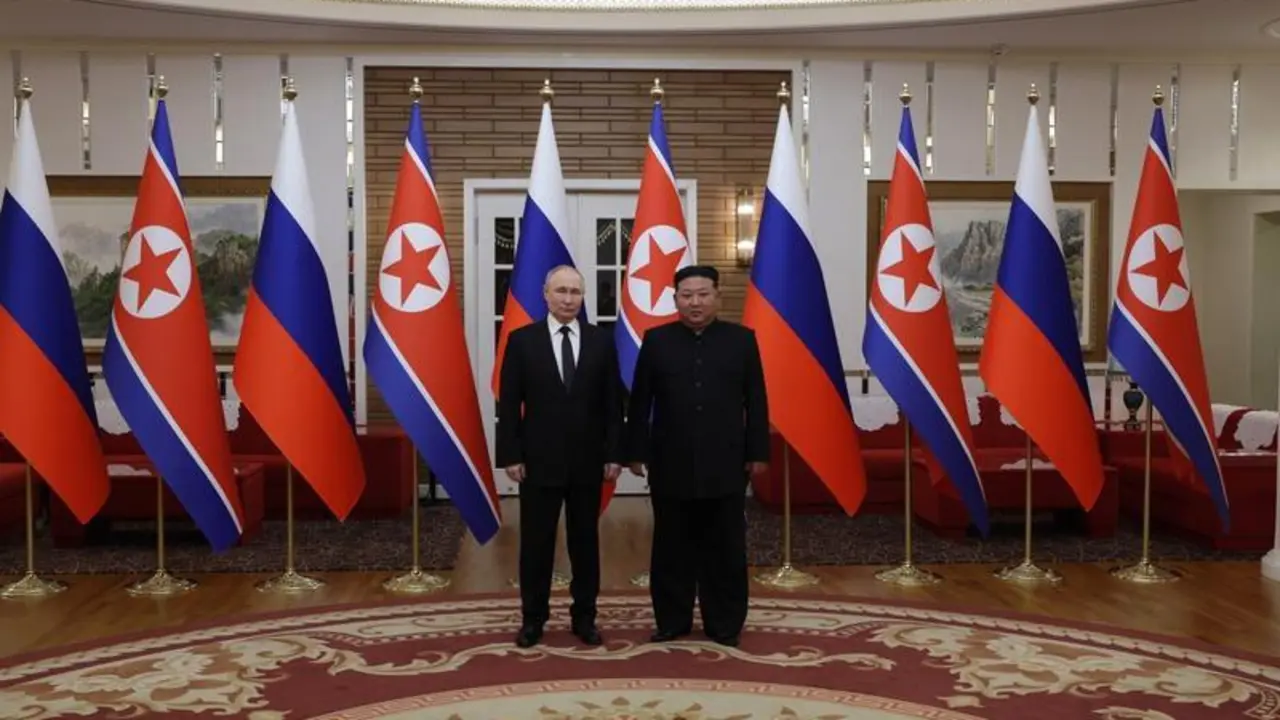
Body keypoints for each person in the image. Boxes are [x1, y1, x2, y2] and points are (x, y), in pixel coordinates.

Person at [625, 264, 769, 647]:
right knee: (671, 546)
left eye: (703, 294)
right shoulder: (657, 341)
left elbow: (756, 400)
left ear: (718, 297)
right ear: (675, 300)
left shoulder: (741, 341)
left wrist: (758, 452)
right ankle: (672, 621)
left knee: (725, 547)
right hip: (669, 461)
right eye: (687, 295)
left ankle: (725, 623)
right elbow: (640, 401)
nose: (695, 302)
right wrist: (635, 451)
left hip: (726, 463)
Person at [497, 265, 624, 649]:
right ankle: (533, 619)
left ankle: (585, 618)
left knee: (585, 544)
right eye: (561, 291)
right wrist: (510, 455)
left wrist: (614, 453)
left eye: (575, 292)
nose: (569, 299)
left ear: (583, 297)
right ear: (545, 294)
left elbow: (613, 404)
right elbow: (509, 403)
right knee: (536, 545)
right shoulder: (522, 341)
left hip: (589, 461)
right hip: (538, 462)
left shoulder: (601, 341)